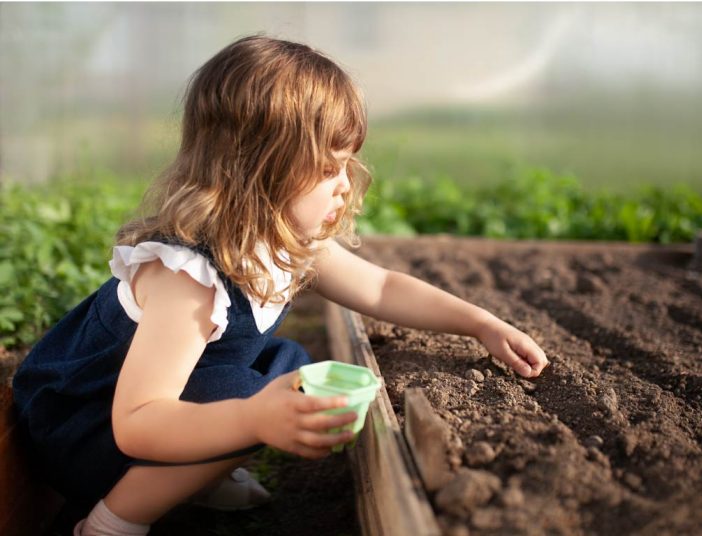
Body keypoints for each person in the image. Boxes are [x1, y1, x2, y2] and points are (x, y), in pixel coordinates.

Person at [12, 34, 549, 536]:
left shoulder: (285, 241)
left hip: (149, 417)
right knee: (254, 398)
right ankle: (113, 520)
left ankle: (192, 476)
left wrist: (480, 324)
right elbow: (136, 423)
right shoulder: (190, 280)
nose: (345, 184)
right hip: (84, 429)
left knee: (288, 368)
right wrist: (251, 420)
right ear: (263, 169)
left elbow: (382, 289)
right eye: (330, 167)